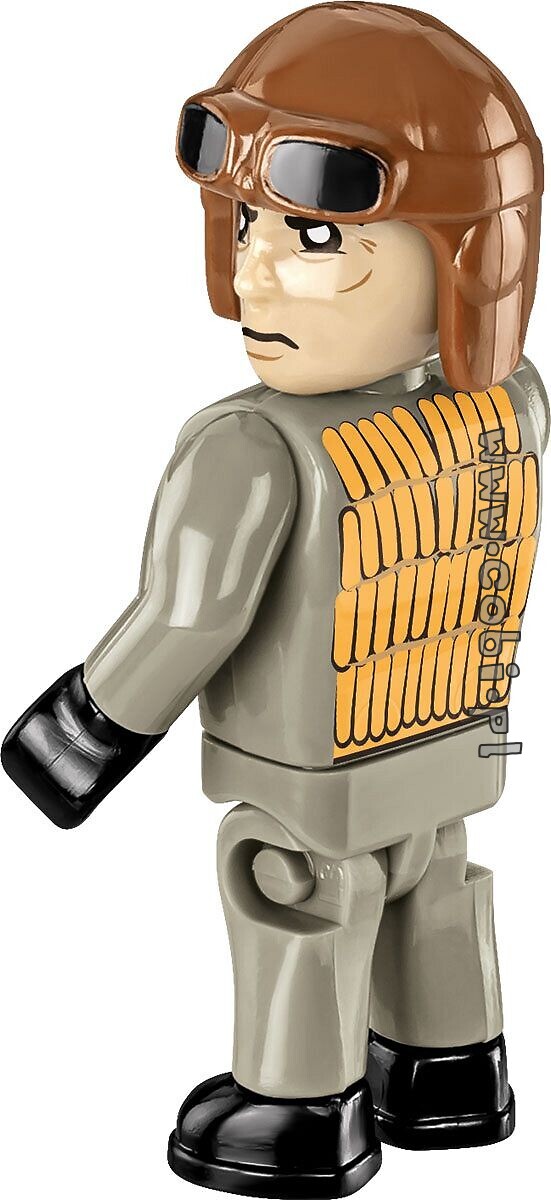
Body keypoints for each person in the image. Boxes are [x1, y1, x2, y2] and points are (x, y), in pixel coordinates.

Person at [2, 5, 548, 1195]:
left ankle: (297, 1108)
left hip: (313, 776)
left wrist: (82, 731)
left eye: (312, 236)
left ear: (460, 256)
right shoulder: (510, 406)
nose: (252, 269)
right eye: (245, 223)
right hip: (453, 742)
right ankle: (448, 1071)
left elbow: (184, 620)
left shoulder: (250, 450)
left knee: (295, 895)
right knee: (433, 881)